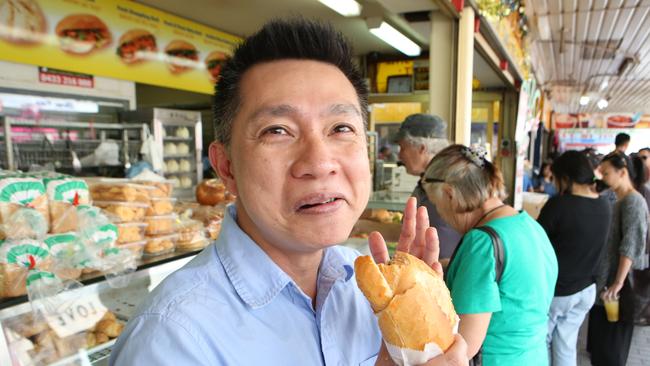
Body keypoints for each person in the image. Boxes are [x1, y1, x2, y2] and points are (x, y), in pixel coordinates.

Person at [109, 18, 467, 366]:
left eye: (341, 127)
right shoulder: (172, 341)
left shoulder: (368, 287)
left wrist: (421, 337)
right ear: (226, 167)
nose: (319, 162)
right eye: (277, 131)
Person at [421, 144, 558, 365]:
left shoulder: (481, 242)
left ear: (450, 194)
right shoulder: (529, 226)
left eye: (436, 204)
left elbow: (464, 346)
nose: (441, 214)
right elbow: (512, 286)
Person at [537, 151, 612, 366]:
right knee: (566, 346)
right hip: (586, 291)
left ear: (566, 178)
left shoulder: (559, 206)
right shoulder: (604, 205)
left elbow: (537, 243)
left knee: (542, 343)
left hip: (557, 292)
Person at [587, 151, 649, 366]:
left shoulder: (633, 201)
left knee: (611, 347)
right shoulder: (618, 199)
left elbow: (630, 246)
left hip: (618, 290)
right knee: (603, 344)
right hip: (608, 283)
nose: (602, 177)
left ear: (622, 172)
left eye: (606, 173)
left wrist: (618, 283)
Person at [394, 113, 461, 263]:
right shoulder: (427, 181)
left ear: (422, 148)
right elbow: (410, 231)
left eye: (402, 147)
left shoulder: (446, 184)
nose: (399, 155)